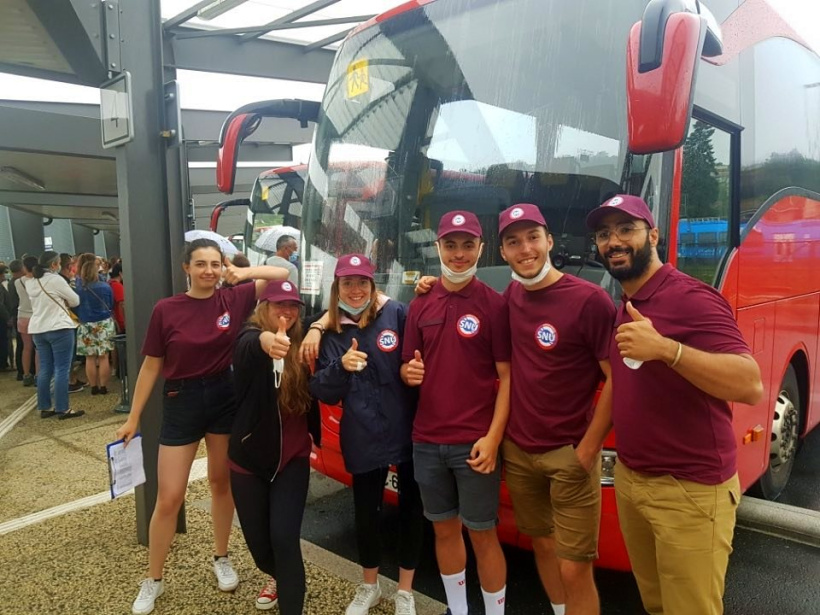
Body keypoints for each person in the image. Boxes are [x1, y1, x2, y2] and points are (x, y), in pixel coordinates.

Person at [585, 195, 763, 615]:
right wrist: (589, 447)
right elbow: (622, 379)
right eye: (604, 234)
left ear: (653, 234)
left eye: (625, 229)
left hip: (690, 490)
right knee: (658, 605)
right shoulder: (628, 304)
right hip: (633, 482)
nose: (614, 241)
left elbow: (750, 383)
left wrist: (667, 349)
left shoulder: (692, 299)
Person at [115, 238, 289, 615]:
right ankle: (154, 579)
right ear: (186, 269)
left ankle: (221, 556)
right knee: (169, 496)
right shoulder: (167, 309)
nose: (209, 271)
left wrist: (242, 272)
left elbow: (283, 272)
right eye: (200, 264)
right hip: (182, 401)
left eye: (215, 263)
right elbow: (151, 366)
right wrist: (133, 417)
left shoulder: (234, 298)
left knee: (220, 482)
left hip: (226, 398)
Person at [497, 204, 613, 615]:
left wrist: (588, 449)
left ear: (549, 241)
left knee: (576, 566)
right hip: (520, 452)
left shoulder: (590, 301)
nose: (525, 249)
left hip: (569, 455)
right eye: (513, 241)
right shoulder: (511, 296)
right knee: (542, 545)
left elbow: (616, 378)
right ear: (503, 252)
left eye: (532, 238)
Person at [401, 211, 511, 615]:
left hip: (475, 443)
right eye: (451, 244)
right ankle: (459, 610)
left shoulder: (494, 305)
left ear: (482, 248)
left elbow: (507, 376)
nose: (459, 254)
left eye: (468, 245)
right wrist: (407, 372)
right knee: (444, 531)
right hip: (427, 440)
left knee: (483, 535)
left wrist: (494, 437)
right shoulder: (420, 303)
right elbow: (407, 365)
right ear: (438, 248)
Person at [310, 254, 424, 615]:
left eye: (362, 282)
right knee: (365, 513)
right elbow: (323, 391)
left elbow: (418, 350)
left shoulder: (397, 314)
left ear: (373, 286)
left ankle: (405, 591)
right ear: (337, 287)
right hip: (361, 433)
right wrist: (340, 369)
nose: (355, 290)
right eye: (348, 283)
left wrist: (430, 289)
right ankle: (369, 585)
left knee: (411, 510)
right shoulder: (331, 332)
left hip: (404, 428)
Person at [230, 280, 320, 614]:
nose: (286, 312)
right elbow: (250, 344)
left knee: (284, 538)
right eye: (278, 305)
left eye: (293, 306)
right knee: (260, 547)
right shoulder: (248, 339)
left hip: (293, 459)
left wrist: (318, 328)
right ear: (262, 308)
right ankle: (281, 577)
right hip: (249, 459)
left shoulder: (304, 344)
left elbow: (339, 316)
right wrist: (269, 342)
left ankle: (290, 595)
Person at [27, 251, 85, 419]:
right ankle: (62, 408)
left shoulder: (31, 282)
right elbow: (75, 300)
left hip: (38, 329)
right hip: (59, 327)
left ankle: (44, 407)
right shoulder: (56, 279)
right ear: (54, 265)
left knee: (45, 368)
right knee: (62, 368)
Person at [75, 258, 116, 395]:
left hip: (86, 323)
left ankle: (93, 386)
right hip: (104, 323)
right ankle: (103, 386)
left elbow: (75, 306)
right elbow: (111, 304)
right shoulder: (105, 287)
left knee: (90, 357)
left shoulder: (79, 289)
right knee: (104, 356)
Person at [15, 256, 38, 386]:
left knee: (26, 347)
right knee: (38, 348)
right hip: (36, 316)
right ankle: (38, 376)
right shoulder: (39, 281)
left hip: (23, 316)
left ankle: (26, 374)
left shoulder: (18, 282)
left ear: (25, 267)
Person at [109, 262, 126, 333]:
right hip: (120, 322)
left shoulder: (108, 283)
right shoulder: (118, 286)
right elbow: (122, 305)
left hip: (113, 320)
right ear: (120, 273)